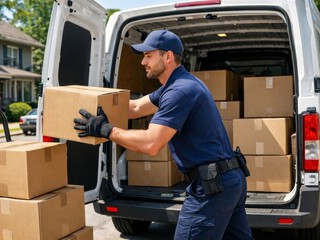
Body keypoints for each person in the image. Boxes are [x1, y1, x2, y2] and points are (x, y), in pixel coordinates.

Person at [74, 30, 253, 240]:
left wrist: (107, 130)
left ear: (167, 57)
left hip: (213, 188)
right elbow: (135, 108)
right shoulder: (177, 84)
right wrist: (94, 106)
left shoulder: (180, 91)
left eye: (148, 55)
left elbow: (151, 144)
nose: (143, 62)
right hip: (230, 181)